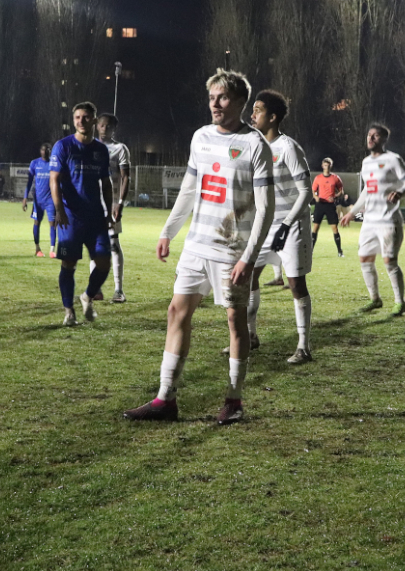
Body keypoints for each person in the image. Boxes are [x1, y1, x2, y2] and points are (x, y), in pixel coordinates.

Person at [123, 68, 274, 424]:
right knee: (177, 312)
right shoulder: (200, 137)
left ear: (240, 101)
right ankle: (165, 399)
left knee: (236, 324)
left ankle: (234, 401)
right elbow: (189, 190)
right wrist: (168, 232)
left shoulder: (255, 145)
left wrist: (249, 258)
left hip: (231, 251)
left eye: (222, 98)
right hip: (196, 246)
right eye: (211, 98)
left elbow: (267, 209)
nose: (215, 104)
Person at [245, 89, 314, 363]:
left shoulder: (289, 148)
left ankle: (303, 348)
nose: (253, 114)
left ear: (272, 117)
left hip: (292, 225)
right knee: (248, 277)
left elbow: (306, 192)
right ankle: (250, 337)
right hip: (263, 225)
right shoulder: (253, 146)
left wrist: (286, 224)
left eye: (258, 110)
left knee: (296, 285)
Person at [49, 101, 114, 326]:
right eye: (77, 117)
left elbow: (106, 183)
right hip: (70, 218)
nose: (81, 121)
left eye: (86, 117)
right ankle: (69, 311)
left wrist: (109, 212)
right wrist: (59, 209)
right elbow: (54, 180)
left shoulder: (100, 150)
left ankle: (87, 296)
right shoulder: (63, 146)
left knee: (104, 262)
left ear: (94, 120)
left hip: (96, 217)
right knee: (68, 264)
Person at [341, 123, 405, 316]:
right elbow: (367, 190)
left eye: (375, 136)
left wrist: (399, 191)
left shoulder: (392, 159)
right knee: (365, 258)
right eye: (369, 135)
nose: (370, 138)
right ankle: (375, 299)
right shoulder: (366, 163)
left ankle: (400, 302)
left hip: (388, 219)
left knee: (389, 261)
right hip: (370, 221)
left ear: (383, 139)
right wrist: (352, 212)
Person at [91, 113, 132, 303]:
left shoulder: (119, 149)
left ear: (114, 128)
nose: (104, 129)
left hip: (111, 205)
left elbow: (125, 177)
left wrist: (120, 203)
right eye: (101, 125)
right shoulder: (89, 147)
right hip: (92, 205)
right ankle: (95, 289)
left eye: (108, 126)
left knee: (113, 244)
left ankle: (119, 290)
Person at [22, 143, 56, 257]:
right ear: (40, 151)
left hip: (50, 200)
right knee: (37, 222)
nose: (45, 152)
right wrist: (25, 197)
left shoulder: (54, 164)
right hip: (38, 200)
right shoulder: (35, 163)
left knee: (53, 223)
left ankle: (52, 250)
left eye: (47, 150)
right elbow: (29, 181)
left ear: (50, 151)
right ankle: (37, 249)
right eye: (43, 150)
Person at [311, 158, 345, 257]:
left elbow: (341, 191)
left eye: (328, 165)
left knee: (335, 228)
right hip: (320, 205)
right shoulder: (318, 178)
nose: (327, 167)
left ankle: (339, 251)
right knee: (315, 228)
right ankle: (311, 251)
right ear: (322, 166)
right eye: (325, 165)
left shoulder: (335, 178)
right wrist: (316, 197)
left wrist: (335, 196)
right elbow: (313, 191)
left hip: (330, 206)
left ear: (331, 166)